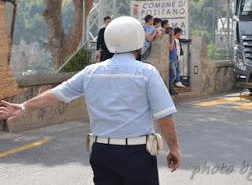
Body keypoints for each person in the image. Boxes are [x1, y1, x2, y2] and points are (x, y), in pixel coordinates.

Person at [0, 16, 181, 184]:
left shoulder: (90, 72)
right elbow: (164, 116)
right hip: (136, 153)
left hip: (101, 152)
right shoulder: (146, 73)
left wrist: (23, 107)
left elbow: (56, 94)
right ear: (137, 41)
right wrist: (174, 149)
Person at [166, 27, 178, 96]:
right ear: (170, 32)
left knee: (173, 76)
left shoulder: (172, 39)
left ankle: (172, 89)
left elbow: (174, 50)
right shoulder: (168, 39)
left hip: (173, 59)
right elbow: (170, 48)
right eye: (172, 31)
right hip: (170, 60)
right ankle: (171, 89)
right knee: (173, 75)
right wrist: (173, 40)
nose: (173, 32)